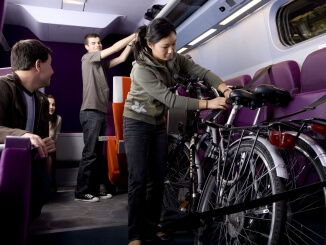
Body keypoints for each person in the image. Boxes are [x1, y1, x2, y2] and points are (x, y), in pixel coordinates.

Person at [123, 18, 231, 245]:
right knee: (138, 181)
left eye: (174, 44)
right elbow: (169, 99)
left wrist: (224, 88)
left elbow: (201, 71)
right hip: (136, 123)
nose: (172, 51)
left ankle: (152, 228)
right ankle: (135, 234)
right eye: (166, 46)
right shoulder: (140, 69)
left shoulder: (173, 58)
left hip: (157, 124)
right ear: (150, 45)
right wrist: (208, 104)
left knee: (158, 179)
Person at [75, 32, 137, 202]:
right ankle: (81, 192)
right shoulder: (87, 58)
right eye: (94, 43)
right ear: (87, 47)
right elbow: (116, 48)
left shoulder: (100, 65)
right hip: (90, 112)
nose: (98, 45)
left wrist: (134, 42)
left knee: (97, 154)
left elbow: (122, 57)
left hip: (100, 113)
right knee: (90, 153)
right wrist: (135, 34)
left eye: (99, 43)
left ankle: (94, 190)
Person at [0, 39, 56, 223]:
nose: (53, 71)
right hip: (4, 164)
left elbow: (40, 139)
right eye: (50, 65)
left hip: (27, 165)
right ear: (38, 65)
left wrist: (45, 144)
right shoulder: (3, 86)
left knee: (42, 183)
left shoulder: (42, 100)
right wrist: (23, 135)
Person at [47, 94, 62, 191]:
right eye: (49, 104)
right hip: (37, 147)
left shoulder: (58, 119)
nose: (51, 107)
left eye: (53, 105)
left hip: (50, 148)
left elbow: (56, 138)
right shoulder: (39, 117)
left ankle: (49, 185)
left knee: (51, 154)